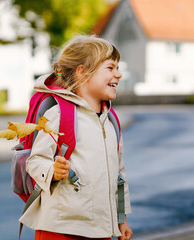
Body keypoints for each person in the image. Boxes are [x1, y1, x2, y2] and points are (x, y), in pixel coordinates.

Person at [19, 35, 132, 240]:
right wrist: (52, 170)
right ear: (82, 72)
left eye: (118, 68)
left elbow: (119, 175)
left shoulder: (111, 120)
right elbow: (34, 161)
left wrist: (121, 218)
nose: (119, 74)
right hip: (61, 228)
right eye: (110, 68)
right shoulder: (59, 114)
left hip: (100, 229)